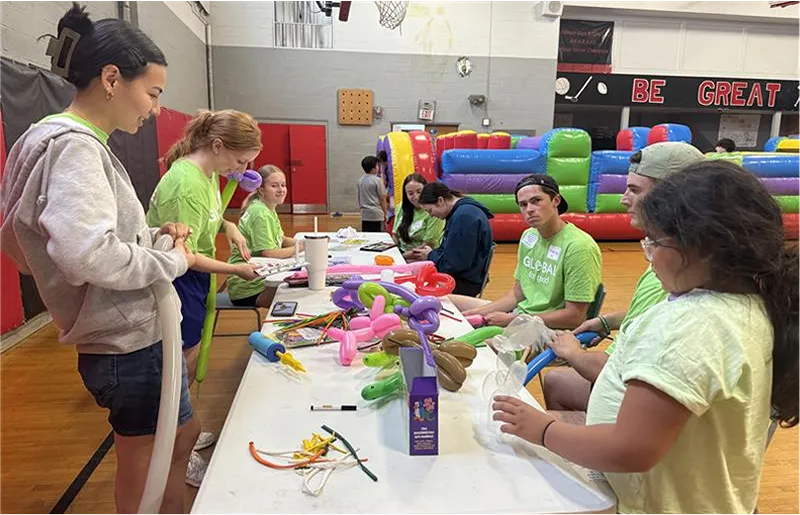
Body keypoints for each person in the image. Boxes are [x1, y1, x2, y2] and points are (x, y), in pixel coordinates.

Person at [492, 160, 800, 514]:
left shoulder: (691, 327)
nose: (649, 255)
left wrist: (544, 429)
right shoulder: (745, 303)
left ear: (704, 247)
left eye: (654, 241)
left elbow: (630, 448)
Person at [0, 4, 198, 513]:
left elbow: (36, 246)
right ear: (112, 78)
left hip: (122, 336)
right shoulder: (75, 148)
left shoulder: (42, 139)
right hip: (127, 343)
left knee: (169, 446)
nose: (155, 109)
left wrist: (151, 237)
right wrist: (171, 261)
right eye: (152, 93)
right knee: (148, 459)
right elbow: (86, 253)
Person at [146, 109, 262, 486]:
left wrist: (230, 227)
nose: (241, 169)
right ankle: (181, 450)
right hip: (178, 282)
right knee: (176, 371)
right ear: (216, 146)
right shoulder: (185, 182)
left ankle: (187, 436)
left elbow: (210, 219)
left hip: (194, 282)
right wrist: (237, 270)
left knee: (189, 361)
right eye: (240, 160)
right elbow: (187, 256)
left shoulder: (208, 174)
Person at [544, 142, 705, 412]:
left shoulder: (677, 270)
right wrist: (607, 321)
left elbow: (620, 374)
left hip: (625, 394)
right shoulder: (666, 254)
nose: (623, 199)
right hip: (619, 378)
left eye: (634, 189)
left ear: (672, 198)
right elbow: (646, 312)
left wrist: (573, 352)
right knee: (555, 382)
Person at [450, 174, 602, 329]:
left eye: (536, 201)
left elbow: (574, 317)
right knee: (445, 301)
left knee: (468, 345)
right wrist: (475, 313)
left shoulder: (579, 247)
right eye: (523, 204)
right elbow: (518, 294)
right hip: (520, 314)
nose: (529, 210)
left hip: (548, 329)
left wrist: (514, 320)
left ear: (556, 200)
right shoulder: (529, 236)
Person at [226, 165, 302, 307]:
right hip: (248, 287)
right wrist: (301, 247)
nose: (281, 190)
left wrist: (306, 243)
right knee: (304, 289)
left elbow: (282, 239)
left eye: (283, 185)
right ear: (261, 189)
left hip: (257, 278)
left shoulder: (266, 208)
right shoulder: (260, 213)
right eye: (274, 186)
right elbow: (268, 253)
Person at [414, 182, 493, 296]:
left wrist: (431, 255)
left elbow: (455, 264)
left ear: (440, 200)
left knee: (415, 286)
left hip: (465, 282)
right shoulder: (463, 212)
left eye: (430, 211)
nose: (431, 216)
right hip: (467, 276)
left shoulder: (463, 217)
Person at [391, 173, 445, 261]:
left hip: (422, 257)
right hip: (401, 253)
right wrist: (391, 251)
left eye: (419, 192)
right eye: (410, 193)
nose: (416, 197)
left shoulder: (434, 211)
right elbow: (395, 235)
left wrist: (401, 257)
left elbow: (428, 245)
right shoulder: (401, 207)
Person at [357, 155, 388, 232]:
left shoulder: (360, 180)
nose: (378, 167)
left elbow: (359, 197)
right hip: (377, 214)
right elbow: (382, 199)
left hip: (365, 215)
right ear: (373, 168)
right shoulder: (377, 181)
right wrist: (385, 213)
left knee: (368, 236)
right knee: (378, 237)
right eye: (377, 165)